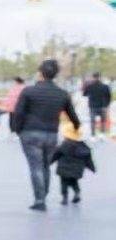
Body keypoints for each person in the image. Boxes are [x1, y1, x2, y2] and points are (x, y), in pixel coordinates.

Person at [12, 57, 80, 212]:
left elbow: (18, 113)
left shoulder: (28, 91)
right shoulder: (62, 93)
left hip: (30, 133)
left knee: (35, 166)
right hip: (51, 134)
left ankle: (39, 199)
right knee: (45, 166)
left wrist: (17, 129)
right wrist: (76, 127)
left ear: (40, 73)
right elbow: (72, 114)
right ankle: (43, 195)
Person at [51, 121, 95, 203]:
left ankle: (64, 197)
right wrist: (92, 168)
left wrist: (49, 162)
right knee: (74, 182)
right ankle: (77, 192)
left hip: (64, 169)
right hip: (77, 170)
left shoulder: (64, 145)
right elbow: (88, 159)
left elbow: (56, 154)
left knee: (64, 183)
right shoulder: (83, 147)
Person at [83, 71, 112, 139]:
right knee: (103, 120)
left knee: (93, 121)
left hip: (93, 106)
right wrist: (106, 105)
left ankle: (93, 135)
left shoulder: (89, 86)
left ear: (93, 77)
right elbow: (109, 96)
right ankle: (102, 134)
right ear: (100, 77)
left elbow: (84, 94)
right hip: (102, 106)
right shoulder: (105, 86)